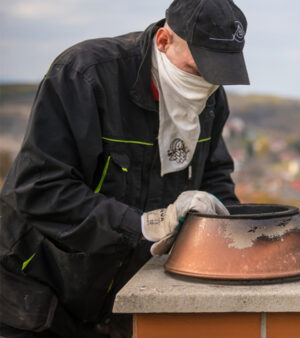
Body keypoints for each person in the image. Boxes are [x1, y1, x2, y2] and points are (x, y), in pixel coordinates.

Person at [0, 0, 248, 336]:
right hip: (35, 294)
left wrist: (230, 238)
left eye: (217, 74)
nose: (206, 84)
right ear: (163, 41)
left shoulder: (208, 99)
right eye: (197, 68)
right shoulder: (86, 75)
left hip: (120, 303)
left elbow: (215, 177)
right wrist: (146, 224)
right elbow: (37, 189)